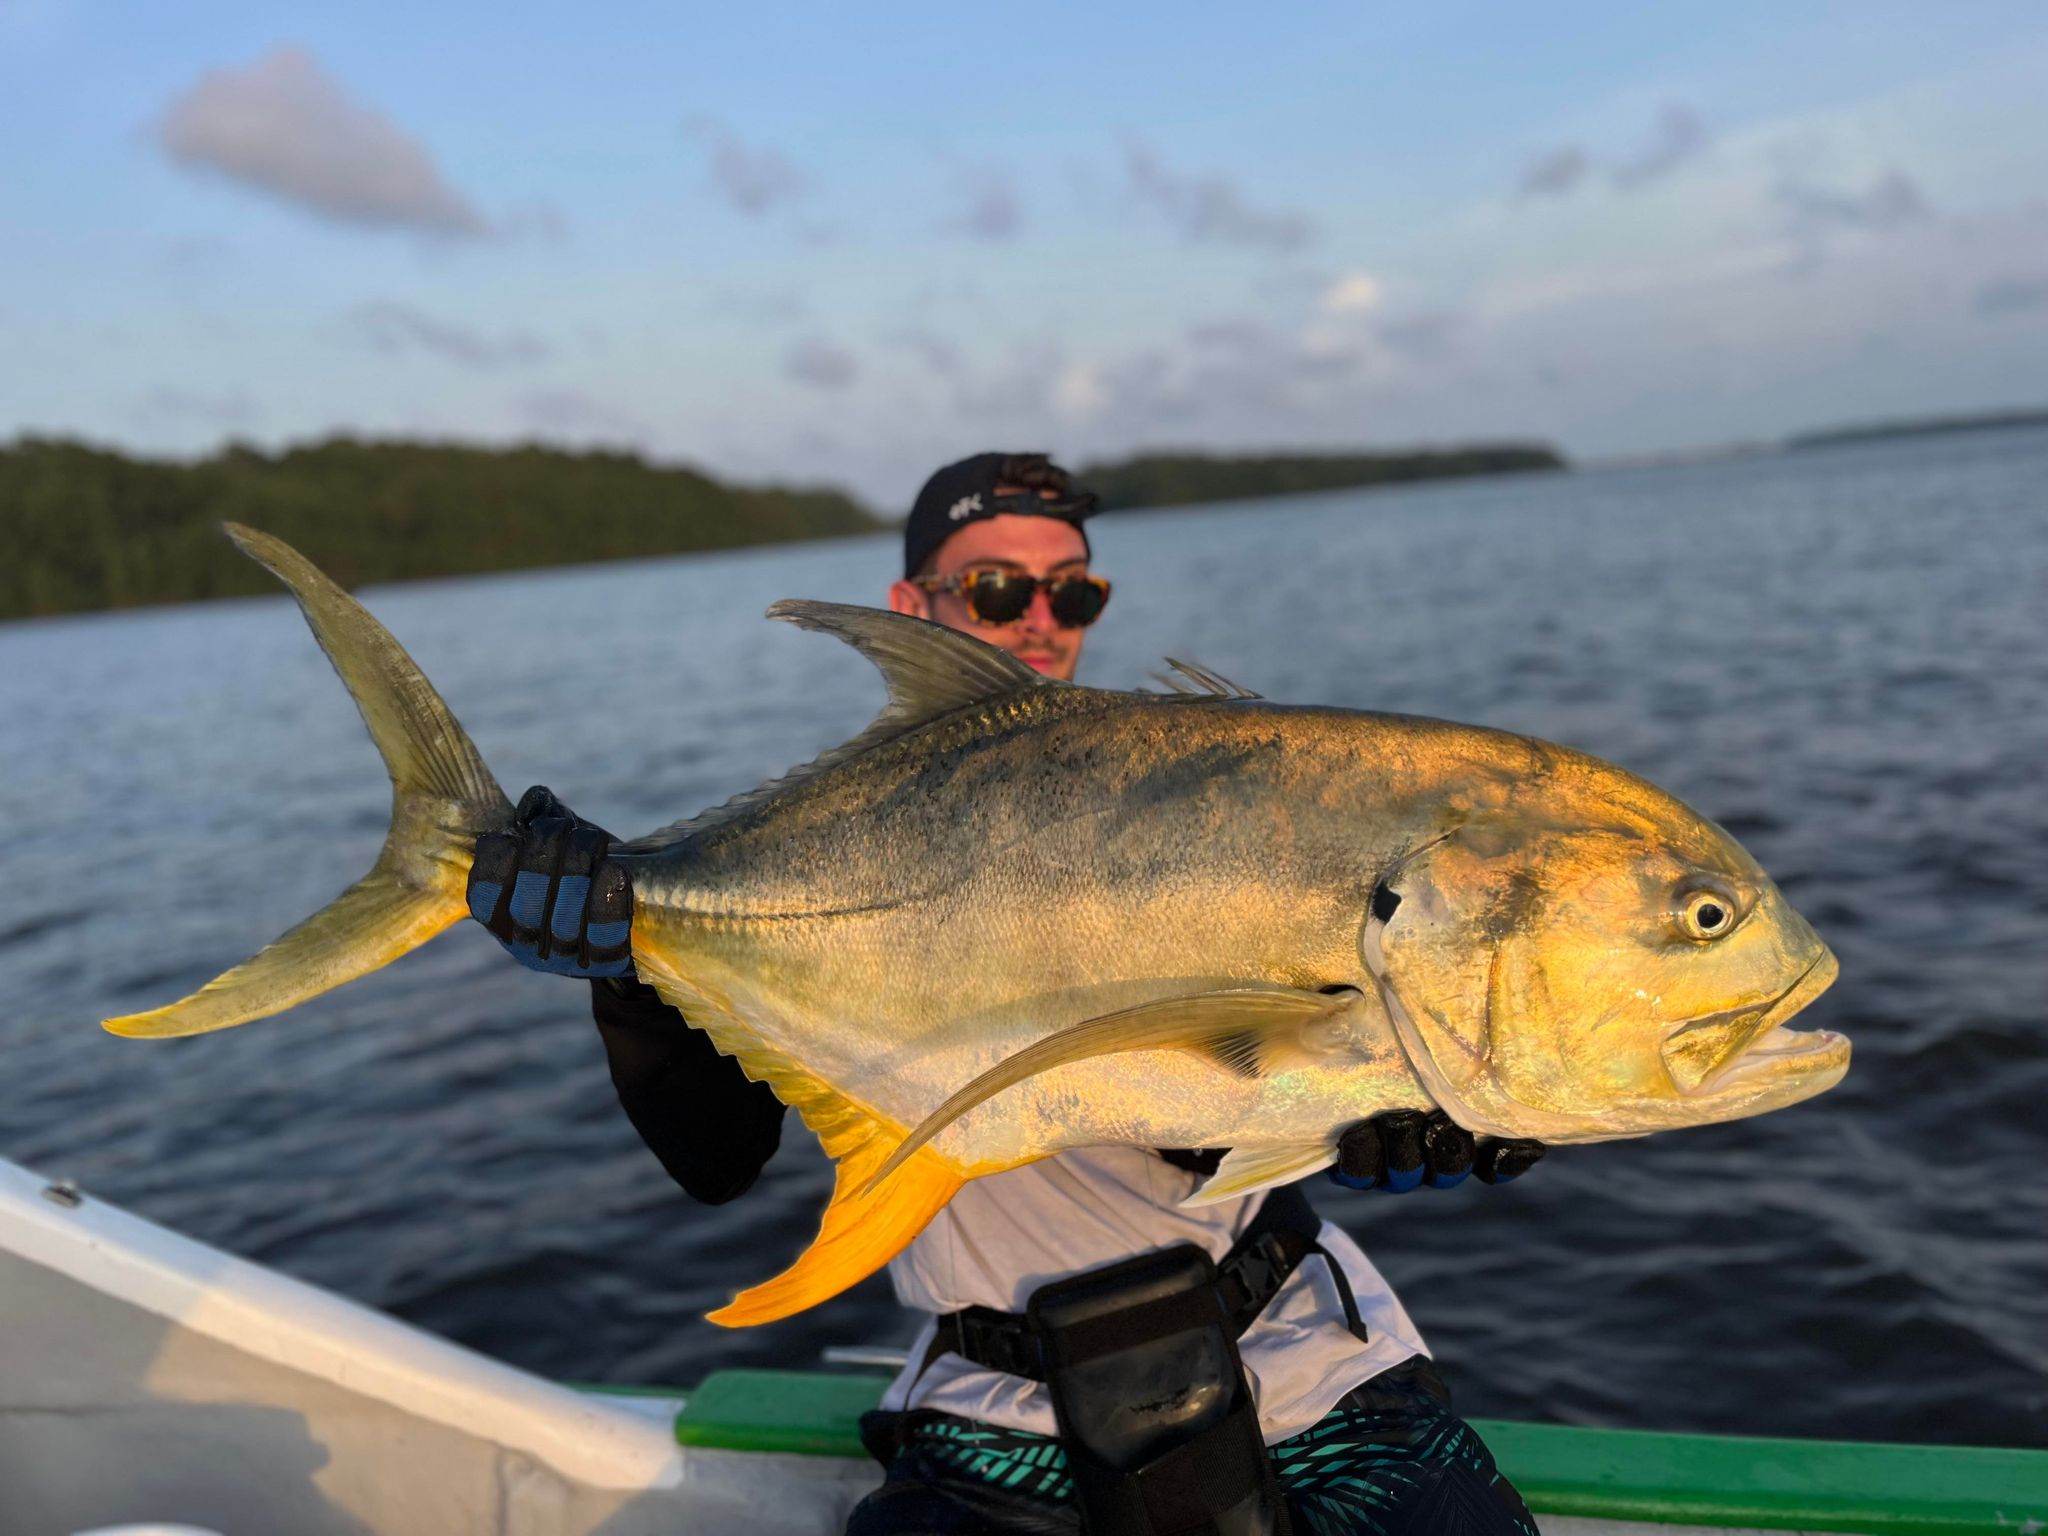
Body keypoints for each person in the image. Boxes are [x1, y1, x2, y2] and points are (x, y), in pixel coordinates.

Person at [469, 452, 1546, 1536]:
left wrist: (1419, 1097)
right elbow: (716, 1164)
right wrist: (631, 975)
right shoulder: (836, 842)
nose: (1040, 619)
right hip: (993, 1408)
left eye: (1070, 590)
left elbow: (1252, 1076)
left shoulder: (1214, 798)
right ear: (911, 609)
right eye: (994, 590)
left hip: (1304, 1358)